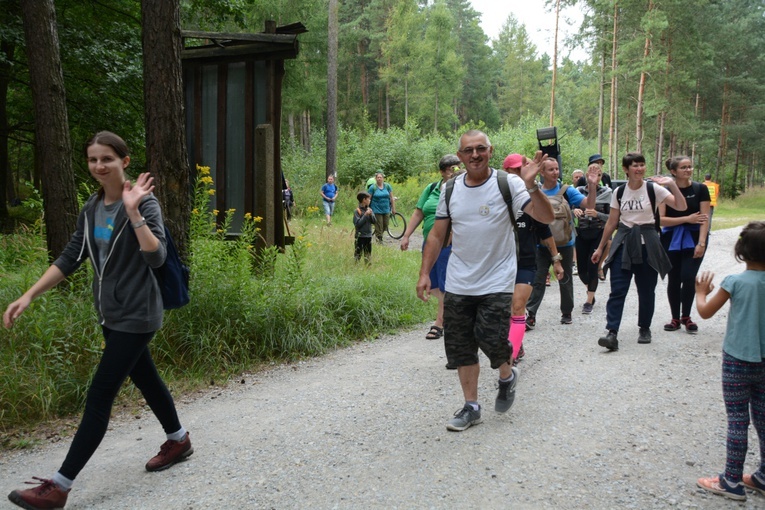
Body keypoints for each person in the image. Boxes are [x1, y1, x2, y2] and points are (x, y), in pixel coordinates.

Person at [4, 131, 192, 510]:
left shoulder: (144, 203)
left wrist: (134, 212)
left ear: (124, 160)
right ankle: (179, 439)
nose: (99, 166)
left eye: (106, 158)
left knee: (100, 394)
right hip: (110, 313)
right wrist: (28, 294)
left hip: (138, 314)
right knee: (146, 377)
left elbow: (156, 257)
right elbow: (72, 255)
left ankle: (59, 485)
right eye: (92, 159)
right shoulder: (91, 208)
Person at [416, 130, 554, 432]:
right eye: (468, 150)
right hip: (458, 281)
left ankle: (507, 375)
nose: (475, 155)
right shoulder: (451, 189)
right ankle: (471, 407)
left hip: (497, 280)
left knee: (492, 339)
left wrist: (533, 187)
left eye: (481, 149)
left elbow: (545, 217)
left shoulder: (510, 183)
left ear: (490, 151)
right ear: (460, 155)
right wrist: (425, 272)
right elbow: (438, 234)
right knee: (461, 346)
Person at [694, 221, 765, 502]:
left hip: (737, 362)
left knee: (738, 420)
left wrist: (701, 292)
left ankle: (732, 481)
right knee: (763, 417)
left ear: (740, 252)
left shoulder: (734, 282)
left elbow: (706, 312)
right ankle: (762, 476)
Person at [591, 152, 687, 351]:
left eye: (642, 165)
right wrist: (600, 248)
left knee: (646, 290)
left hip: (648, 244)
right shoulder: (619, 192)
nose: (639, 169)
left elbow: (681, 205)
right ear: (626, 169)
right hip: (624, 243)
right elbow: (612, 222)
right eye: (635, 165)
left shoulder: (654, 189)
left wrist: (671, 184)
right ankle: (612, 332)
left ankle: (644, 328)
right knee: (618, 289)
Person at [502, 153, 563, 361]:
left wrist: (556, 260)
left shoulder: (530, 199)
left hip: (526, 261)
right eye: (516, 170)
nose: (520, 174)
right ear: (507, 172)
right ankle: (510, 342)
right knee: (503, 310)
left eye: (523, 170)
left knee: (518, 306)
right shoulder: (497, 195)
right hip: (499, 263)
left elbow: (545, 230)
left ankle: (514, 349)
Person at [525, 159, 596, 328]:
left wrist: (592, 186)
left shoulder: (566, 191)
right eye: (551, 169)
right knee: (538, 279)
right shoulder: (536, 191)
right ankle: (531, 314)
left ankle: (566, 312)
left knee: (565, 279)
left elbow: (589, 205)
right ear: (541, 172)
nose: (555, 172)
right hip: (541, 244)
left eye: (557, 169)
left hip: (564, 243)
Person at [400, 155, 460, 340]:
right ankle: (451, 314)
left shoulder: (462, 188)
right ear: (442, 171)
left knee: (444, 282)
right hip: (430, 243)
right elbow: (419, 212)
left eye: (457, 168)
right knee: (432, 282)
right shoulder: (432, 188)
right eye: (450, 169)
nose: (454, 172)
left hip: (450, 243)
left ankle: (440, 322)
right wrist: (407, 235)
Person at [660, 156, 711, 334]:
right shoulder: (665, 190)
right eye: (683, 167)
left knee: (688, 276)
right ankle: (675, 318)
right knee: (674, 277)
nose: (688, 170)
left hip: (695, 237)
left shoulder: (700, 189)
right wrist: (686, 219)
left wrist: (702, 243)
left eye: (689, 167)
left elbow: (705, 218)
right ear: (674, 171)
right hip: (670, 237)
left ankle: (686, 316)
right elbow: (661, 219)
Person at [573, 163, 612, 314]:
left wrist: (598, 215)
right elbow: (567, 208)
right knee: (582, 271)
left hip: (598, 233)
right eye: (590, 172)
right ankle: (591, 290)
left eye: (599, 174)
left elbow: (612, 218)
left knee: (592, 267)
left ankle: (589, 301)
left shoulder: (607, 193)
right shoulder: (578, 192)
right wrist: (574, 209)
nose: (595, 176)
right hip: (581, 233)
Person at [368, 171, 395, 243]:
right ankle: (379, 239)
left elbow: (391, 198)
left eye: (380, 177)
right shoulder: (372, 187)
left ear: (383, 178)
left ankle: (379, 235)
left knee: (385, 225)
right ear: (376, 178)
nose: (379, 179)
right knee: (379, 225)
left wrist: (393, 208)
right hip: (376, 209)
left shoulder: (387, 186)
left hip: (386, 209)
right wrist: (367, 208)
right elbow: (369, 199)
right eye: (378, 177)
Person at [353, 191, 375, 264]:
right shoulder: (357, 211)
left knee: (368, 253)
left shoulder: (369, 209)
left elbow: (374, 221)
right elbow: (358, 224)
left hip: (368, 236)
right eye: (368, 199)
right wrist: (365, 215)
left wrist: (371, 214)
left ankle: (368, 266)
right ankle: (356, 265)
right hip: (360, 236)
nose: (370, 200)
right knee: (358, 253)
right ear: (364, 200)